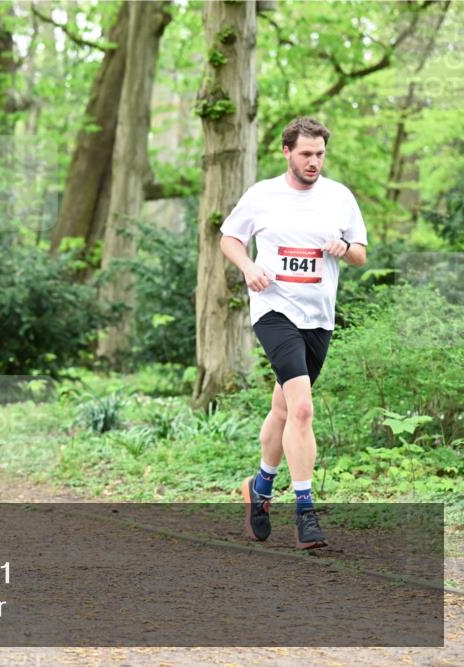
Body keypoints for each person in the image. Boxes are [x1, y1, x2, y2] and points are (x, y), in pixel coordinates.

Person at [220, 117, 367, 549]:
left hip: (318, 317)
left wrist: (345, 249)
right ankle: (305, 512)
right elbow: (229, 237)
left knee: (284, 408)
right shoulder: (262, 195)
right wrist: (248, 268)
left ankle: (260, 487)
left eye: (319, 154)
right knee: (302, 409)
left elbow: (359, 253)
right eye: (305, 154)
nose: (313, 162)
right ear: (286, 152)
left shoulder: (340, 197)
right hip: (274, 310)